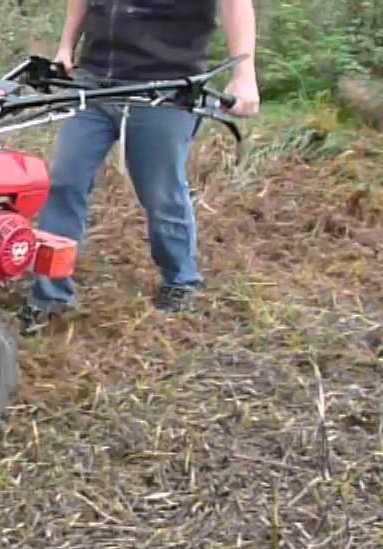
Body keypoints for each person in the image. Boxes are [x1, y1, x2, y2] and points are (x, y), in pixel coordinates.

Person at [18, 0, 261, 334]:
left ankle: (180, 278)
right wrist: (65, 46)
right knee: (63, 183)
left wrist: (244, 74)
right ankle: (50, 295)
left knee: (160, 191)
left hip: (166, 83)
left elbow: (235, 5)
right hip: (94, 81)